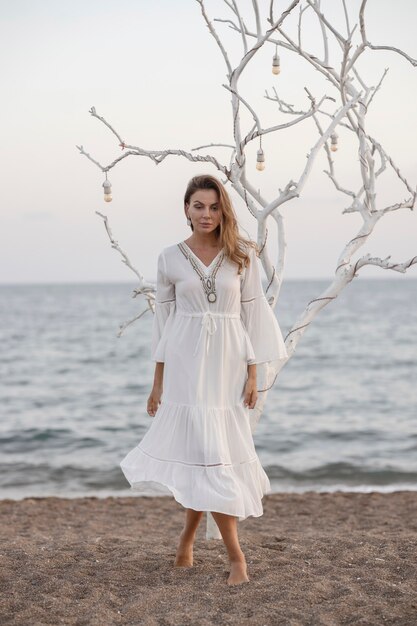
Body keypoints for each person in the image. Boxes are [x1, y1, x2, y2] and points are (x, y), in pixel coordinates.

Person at [120, 174, 288, 586]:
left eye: (214, 206)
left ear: (222, 209)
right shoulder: (169, 258)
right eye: (199, 206)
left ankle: (187, 541)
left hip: (228, 364)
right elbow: (163, 323)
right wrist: (157, 382)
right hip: (184, 363)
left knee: (216, 456)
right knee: (203, 455)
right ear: (186, 209)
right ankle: (236, 558)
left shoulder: (241, 255)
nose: (206, 214)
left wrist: (254, 373)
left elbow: (252, 317)